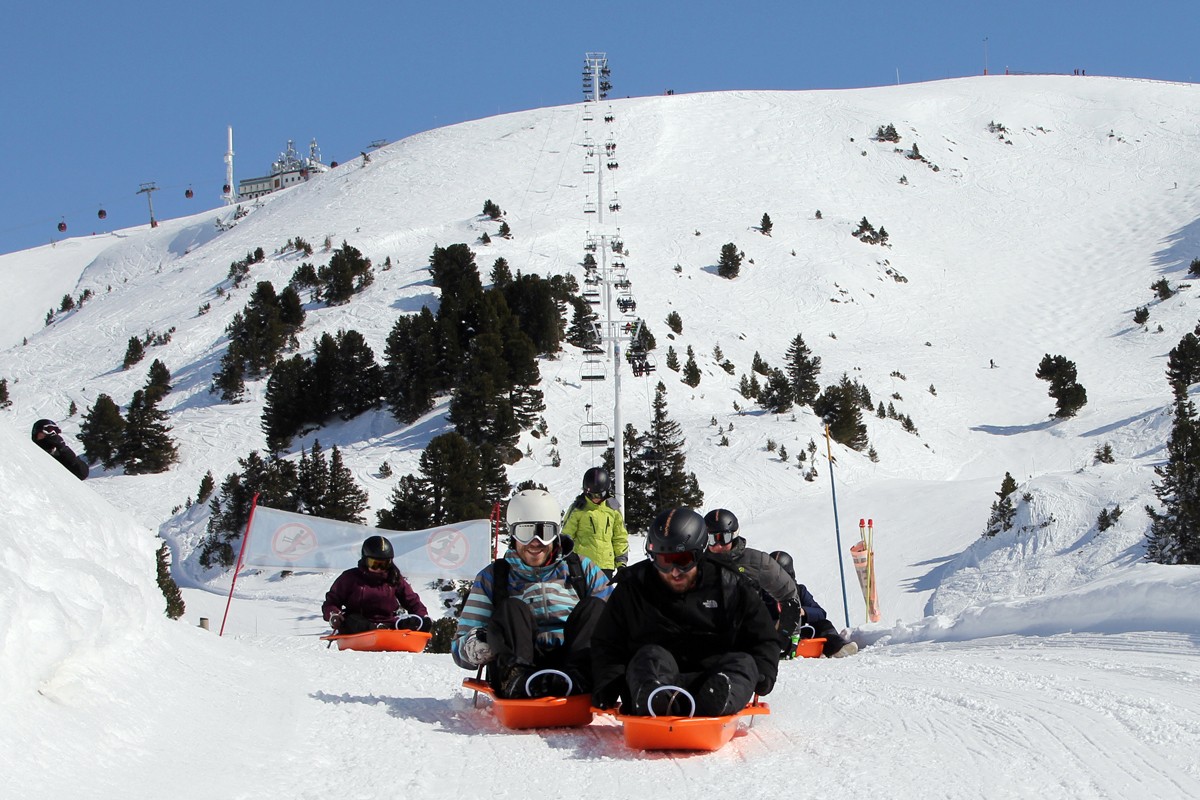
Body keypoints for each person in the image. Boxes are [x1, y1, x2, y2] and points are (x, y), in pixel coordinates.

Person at [590, 507, 781, 718]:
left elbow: (763, 636)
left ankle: (717, 699)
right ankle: (655, 699)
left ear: (699, 554)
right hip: (657, 675)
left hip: (713, 675)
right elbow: (607, 642)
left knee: (743, 663)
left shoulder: (729, 585)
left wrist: (764, 672)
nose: (674, 571)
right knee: (648, 656)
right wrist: (609, 682)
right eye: (664, 561)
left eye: (683, 560)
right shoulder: (633, 587)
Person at [453, 489, 611, 699]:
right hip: (519, 664)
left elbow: (618, 622)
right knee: (511, 608)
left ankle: (578, 679)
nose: (535, 542)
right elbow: (459, 645)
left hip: (575, 662)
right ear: (512, 533)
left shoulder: (581, 569)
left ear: (556, 533)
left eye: (545, 533)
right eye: (526, 532)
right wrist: (476, 646)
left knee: (594, 607)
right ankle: (519, 679)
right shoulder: (494, 577)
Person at [703, 508, 804, 659]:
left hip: (748, 641)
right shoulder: (697, 563)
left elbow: (788, 593)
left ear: (734, 535)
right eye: (711, 539)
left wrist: (786, 636)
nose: (717, 546)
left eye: (723, 538)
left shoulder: (756, 561)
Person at [322, 536, 430, 634]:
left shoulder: (393, 578)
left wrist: (422, 617)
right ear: (365, 561)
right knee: (353, 620)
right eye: (374, 564)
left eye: (384, 565)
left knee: (413, 622)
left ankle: (389, 629)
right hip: (358, 625)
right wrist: (333, 615)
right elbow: (332, 601)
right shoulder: (350, 578)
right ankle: (375, 629)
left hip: (388, 623)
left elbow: (412, 601)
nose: (379, 569)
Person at [769, 550, 859, 658]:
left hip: (801, 632)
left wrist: (803, 611)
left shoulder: (799, 591)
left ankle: (838, 647)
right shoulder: (762, 593)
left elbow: (820, 613)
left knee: (824, 624)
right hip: (775, 634)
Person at [561, 467, 629, 576]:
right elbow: (566, 536)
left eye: (599, 495)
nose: (595, 498)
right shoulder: (578, 508)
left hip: (605, 566)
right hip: (582, 566)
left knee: (605, 593)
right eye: (591, 495)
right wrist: (567, 559)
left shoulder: (613, 508)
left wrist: (621, 564)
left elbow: (620, 538)